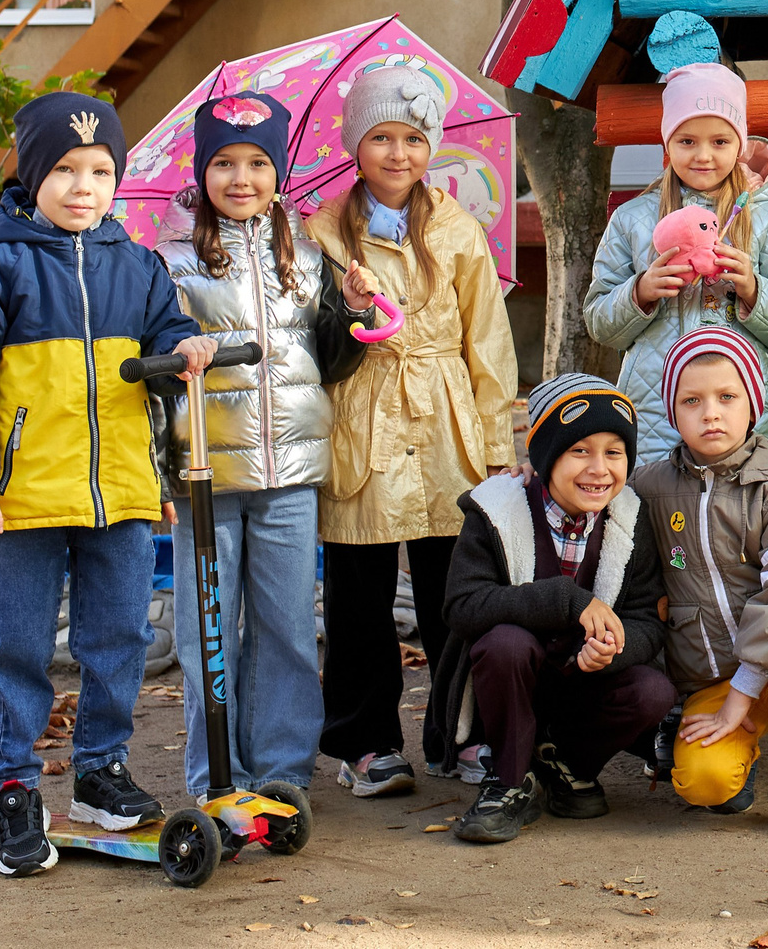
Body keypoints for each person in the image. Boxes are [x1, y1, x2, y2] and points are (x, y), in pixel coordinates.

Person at [0, 92, 217, 876]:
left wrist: (185, 344)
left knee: (120, 636)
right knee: (19, 641)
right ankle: (14, 787)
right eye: (63, 168)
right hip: (23, 499)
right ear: (32, 175)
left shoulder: (139, 265)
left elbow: (165, 336)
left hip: (121, 491)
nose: (83, 185)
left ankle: (100, 769)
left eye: (99, 169)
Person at [307, 62, 521, 797]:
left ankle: (459, 732)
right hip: (360, 419)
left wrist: (497, 446)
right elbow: (312, 344)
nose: (399, 154)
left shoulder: (461, 229)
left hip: (446, 423)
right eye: (382, 137)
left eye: (415, 138)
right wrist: (346, 304)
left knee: (453, 589)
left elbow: (487, 342)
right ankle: (364, 741)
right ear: (354, 144)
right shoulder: (323, 232)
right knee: (358, 595)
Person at [156, 91, 375, 808]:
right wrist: (164, 462)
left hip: (289, 472)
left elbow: (330, 362)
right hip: (206, 475)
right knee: (207, 630)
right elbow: (153, 372)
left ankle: (282, 766)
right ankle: (217, 771)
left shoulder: (307, 257)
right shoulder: (171, 258)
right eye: (224, 162)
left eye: (257, 162)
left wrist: (355, 309)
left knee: (284, 623)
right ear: (202, 170)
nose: (241, 177)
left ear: (280, 173)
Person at [632, 327, 768, 841]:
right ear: (672, 414)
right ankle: (735, 765)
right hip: (709, 676)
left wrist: (745, 691)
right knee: (704, 785)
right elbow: (591, 496)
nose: (710, 413)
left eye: (726, 397)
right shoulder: (650, 488)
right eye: (692, 400)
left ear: (752, 405)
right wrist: (534, 473)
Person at [434, 374, 674, 843]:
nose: (598, 469)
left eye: (614, 452)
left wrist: (612, 649)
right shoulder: (496, 510)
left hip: (580, 687)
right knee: (506, 643)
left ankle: (563, 763)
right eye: (579, 451)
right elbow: (463, 606)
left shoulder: (629, 516)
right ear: (544, 457)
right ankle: (507, 780)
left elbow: (648, 617)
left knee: (651, 690)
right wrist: (566, 600)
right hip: (506, 688)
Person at [586, 60, 768, 461]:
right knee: (657, 516)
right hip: (656, 413)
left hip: (748, 418)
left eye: (720, 142)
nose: (703, 155)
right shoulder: (634, 220)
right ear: (667, 144)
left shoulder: (766, 218)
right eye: (687, 141)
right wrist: (640, 293)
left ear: (739, 144)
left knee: (742, 517)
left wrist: (754, 291)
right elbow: (600, 323)